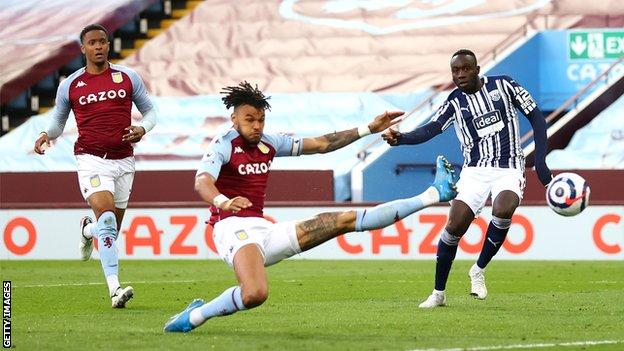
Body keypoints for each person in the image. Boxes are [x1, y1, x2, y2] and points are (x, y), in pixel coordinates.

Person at [163, 82, 458, 332]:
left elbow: (322, 144)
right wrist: (223, 201)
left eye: (260, 120)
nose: (256, 126)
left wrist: (368, 128)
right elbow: (202, 181)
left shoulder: (269, 142)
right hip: (231, 228)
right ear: (234, 119)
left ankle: (434, 194)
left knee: (342, 220)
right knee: (255, 293)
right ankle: (194, 316)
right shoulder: (223, 144)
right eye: (249, 119)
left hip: (263, 229)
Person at [382, 49, 552, 308]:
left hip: (509, 167)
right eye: (455, 71)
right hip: (474, 170)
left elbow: (537, 117)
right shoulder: (454, 102)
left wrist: (540, 160)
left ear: (477, 68)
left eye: (465, 69)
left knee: (504, 208)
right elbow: (431, 129)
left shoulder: (504, 85)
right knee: (454, 226)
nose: (460, 74)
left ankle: (479, 269)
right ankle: (438, 293)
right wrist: (401, 138)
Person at [33, 24, 158, 308]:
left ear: (108, 45)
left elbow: (150, 111)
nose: (99, 46)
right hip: (90, 159)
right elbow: (58, 121)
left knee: (108, 231)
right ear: (83, 48)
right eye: (92, 42)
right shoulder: (71, 85)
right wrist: (45, 134)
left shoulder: (127, 77)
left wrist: (143, 129)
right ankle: (115, 289)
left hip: (125, 160)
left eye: (103, 41)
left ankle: (87, 230)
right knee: (108, 221)